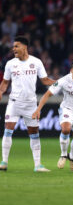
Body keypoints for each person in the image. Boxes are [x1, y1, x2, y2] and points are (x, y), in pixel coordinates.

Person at [0, 36, 55, 172]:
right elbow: (5, 82)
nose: (14, 49)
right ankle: (4, 162)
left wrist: (62, 82)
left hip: (31, 104)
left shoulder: (36, 62)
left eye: (16, 46)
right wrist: (1, 92)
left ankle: (37, 165)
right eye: (13, 47)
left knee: (34, 133)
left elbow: (45, 80)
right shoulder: (10, 64)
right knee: (8, 129)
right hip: (14, 103)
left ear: (24, 47)